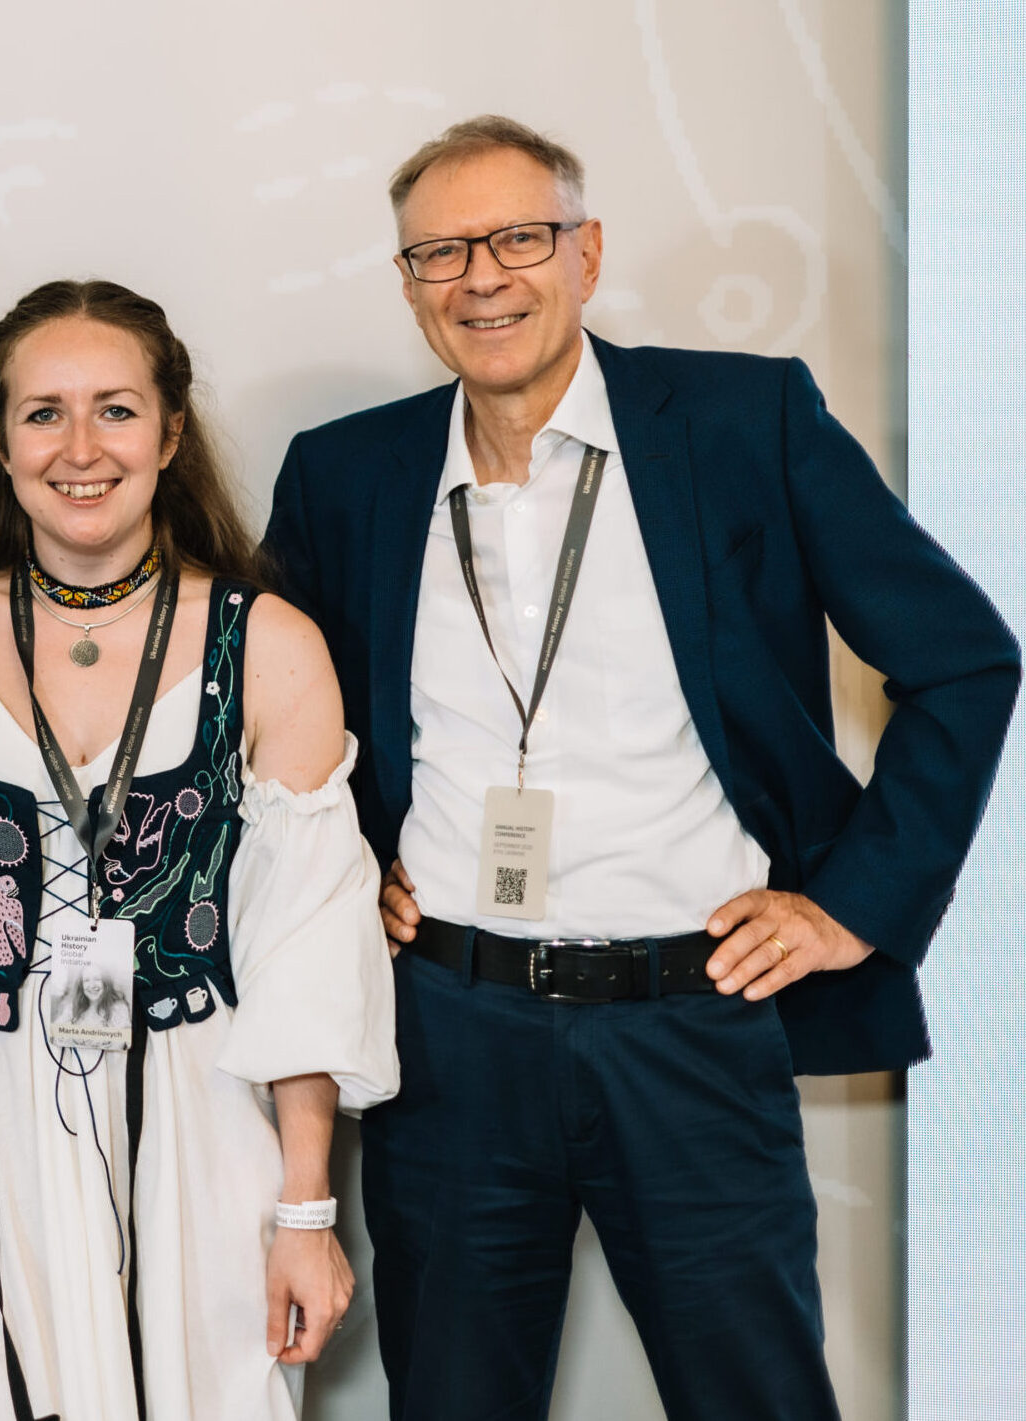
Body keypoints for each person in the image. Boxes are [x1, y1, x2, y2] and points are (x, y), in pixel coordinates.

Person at [262, 115, 1020, 1420]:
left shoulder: (742, 420)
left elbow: (964, 659)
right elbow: (278, 726)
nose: (481, 276)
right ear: (406, 283)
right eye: (441, 251)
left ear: (587, 252)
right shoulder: (345, 473)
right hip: (448, 1034)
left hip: (693, 1022)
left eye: (518, 238)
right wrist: (349, 866)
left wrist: (852, 908)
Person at [0, 280, 398, 1420]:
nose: (79, 446)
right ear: (0, 441)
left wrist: (306, 1210)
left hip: (203, 1121)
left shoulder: (271, 644)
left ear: (170, 431)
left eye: (114, 408)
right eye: (42, 412)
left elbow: (307, 946)